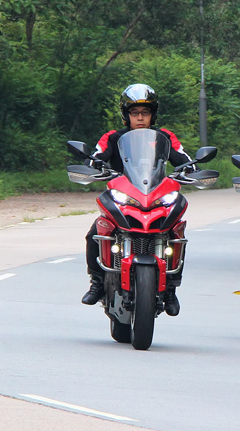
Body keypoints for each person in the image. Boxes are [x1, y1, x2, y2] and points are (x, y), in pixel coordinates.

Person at [80, 83, 193, 316]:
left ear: (153, 114)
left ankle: (171, 289)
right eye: (134, 113)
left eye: (145, 112)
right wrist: (92, 167)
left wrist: (189, 170)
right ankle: (97, 282)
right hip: (124, 196)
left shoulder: (165, 136)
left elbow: (183, 159)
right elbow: (94, 159)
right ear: (125, 114)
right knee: (95, 233)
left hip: (155, 196)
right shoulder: (112, 137)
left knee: (176, 233)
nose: (140, 118)